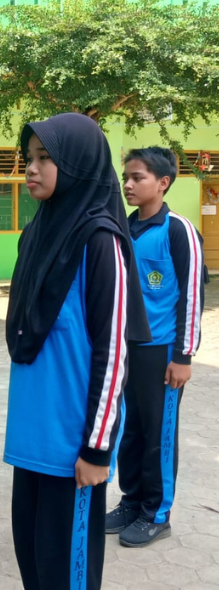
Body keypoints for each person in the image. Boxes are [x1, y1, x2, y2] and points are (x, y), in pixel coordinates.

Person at [4, 114, 151, 590]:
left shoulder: (99, 242)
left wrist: (96, 448)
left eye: (45, 158)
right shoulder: (38, 232)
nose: (31, 169)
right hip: (31, 442)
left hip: (73, 451)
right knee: (35, 571)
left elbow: (114, 354)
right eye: (29, 158)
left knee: (66, 580)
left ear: (79, 163)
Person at [106, 147, 206, 547]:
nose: (128, 185)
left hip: (161, 351)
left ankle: (157, 513)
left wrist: (183, 356)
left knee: (158, 433)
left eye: (138, 178)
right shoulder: (125, 228)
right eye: (125, 177)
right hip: (126, 349)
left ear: (163, 183)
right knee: (129, 429)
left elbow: (192, 297)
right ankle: (132, 501)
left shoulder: (179, 230)